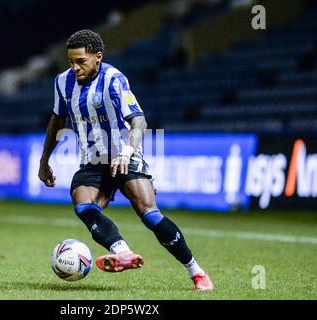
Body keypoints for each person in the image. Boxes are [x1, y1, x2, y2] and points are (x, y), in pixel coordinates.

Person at [38, 30, 213, 291]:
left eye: (81, 62)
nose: (74, 68)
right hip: (93, 160)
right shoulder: (62, 82)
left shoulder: (114, 79)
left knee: (149, 213)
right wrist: (44, 161)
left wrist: (126, 153)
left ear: (98, 57)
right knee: (84, 205)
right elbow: (57, 120)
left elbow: (139, 121)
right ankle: (123, 252)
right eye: (71, 62)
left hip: (125, 155)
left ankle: (197, 272)